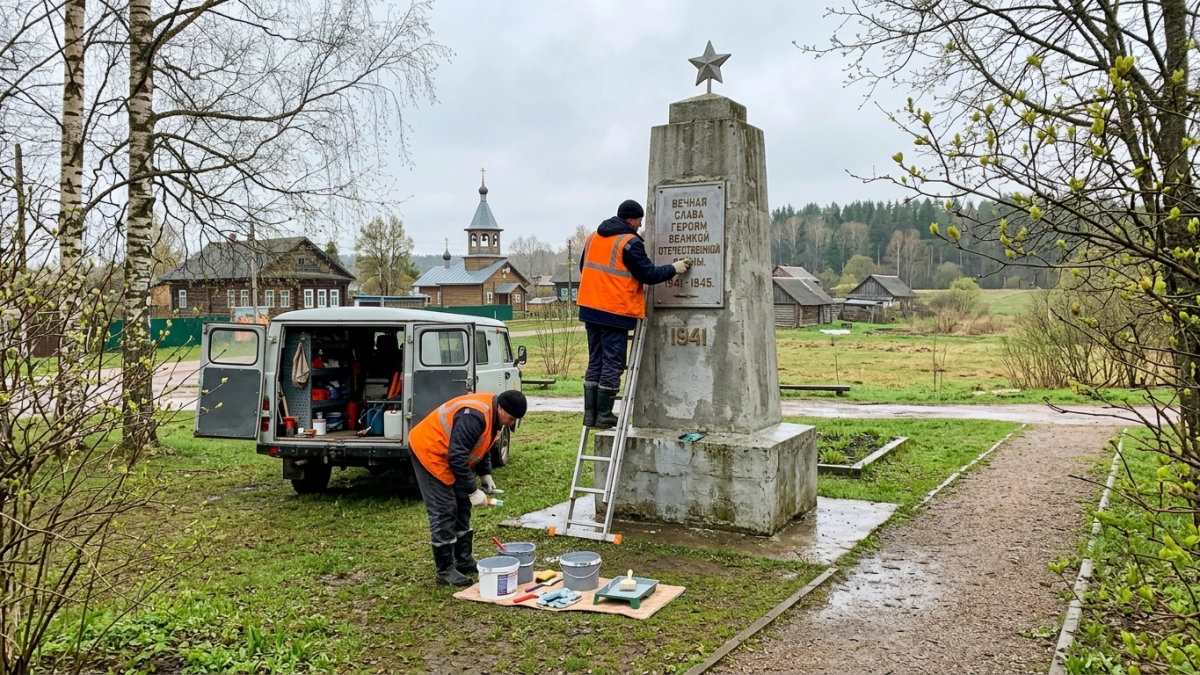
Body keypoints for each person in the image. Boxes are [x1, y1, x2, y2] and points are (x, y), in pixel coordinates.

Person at [577, 199, 689, 428]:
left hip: (589, 308)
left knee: (595, 360)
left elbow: (584, 268)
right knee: (613, 363)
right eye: (639, 220)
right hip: (614, 311)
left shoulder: (592, 237)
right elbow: (648, 274)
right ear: (630, 219)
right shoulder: (629, 243)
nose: (640, 225)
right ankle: (605, 414)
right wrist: (673, 269)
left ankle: (590, 415)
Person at [408, 389, 528, 586]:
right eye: (512, 418)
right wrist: (472, 490)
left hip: (449, 456)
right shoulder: (474, 416)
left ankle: (463, 560)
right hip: (429, 451)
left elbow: (482, 444)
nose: (512, 423)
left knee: (462, 505)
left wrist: (484, 474)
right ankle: (445, 570)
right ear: (501, 408)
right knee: (444, 509)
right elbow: (457, 456)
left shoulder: (495, 416)